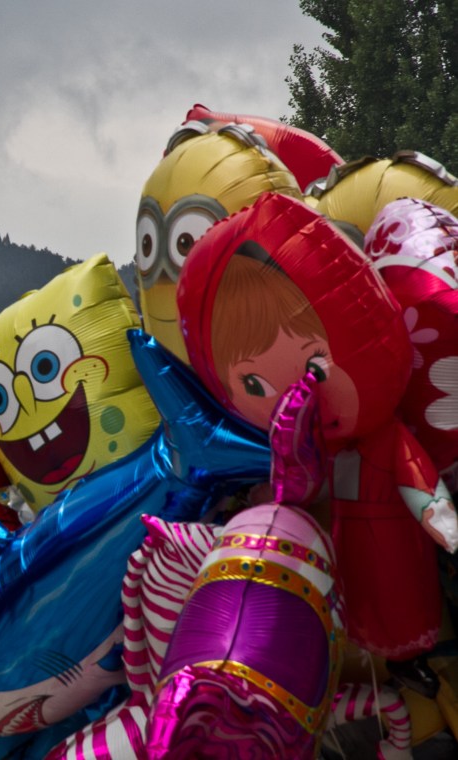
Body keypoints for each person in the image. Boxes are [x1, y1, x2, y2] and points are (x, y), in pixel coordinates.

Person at [178, 192, 458, 691]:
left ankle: (414, 660)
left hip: (397, 546)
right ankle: (391, 667)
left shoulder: (384, 435)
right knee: (371, 606)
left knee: (407, 601)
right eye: (254, 387)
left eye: (312, 363)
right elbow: (300, 491)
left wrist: (439, 516)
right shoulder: (313, 450)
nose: (296, 391)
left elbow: (415, 474)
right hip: (351, 554)